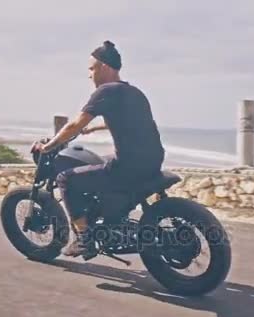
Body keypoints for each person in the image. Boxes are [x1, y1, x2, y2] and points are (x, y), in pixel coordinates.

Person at [31, 40, 165, 257]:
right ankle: (108, 215)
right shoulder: (134, 92)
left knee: (66, 178)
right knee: (102, 163)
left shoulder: (106, 91)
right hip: (153, 160)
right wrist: (95, 128)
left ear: (104, 66)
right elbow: (129, 121)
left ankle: (85, 239)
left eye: (92, 69)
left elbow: (75, 124)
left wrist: (49, 146)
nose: (89, 75)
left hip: (128, 167)